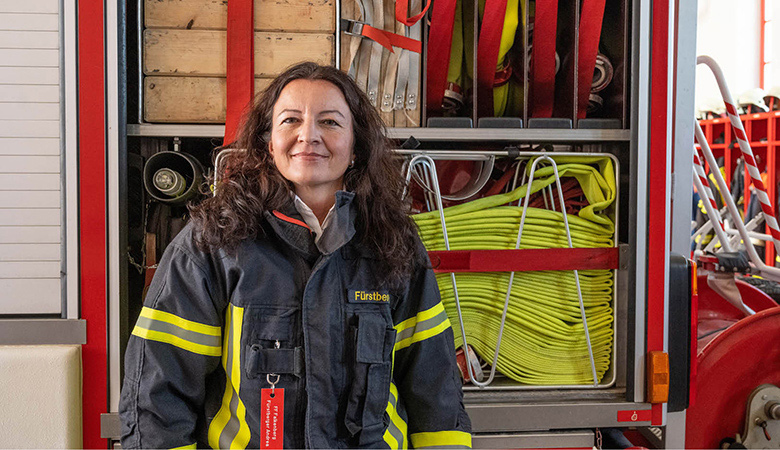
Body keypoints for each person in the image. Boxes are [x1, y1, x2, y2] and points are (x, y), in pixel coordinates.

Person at [119, 62, 472, 449]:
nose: (309, 135)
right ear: (268, 142)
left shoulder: (393, 243)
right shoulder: (213, 244)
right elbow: (157, 395)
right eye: (291, 120)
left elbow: (434, 390)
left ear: (357, 145)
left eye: (330, 122)